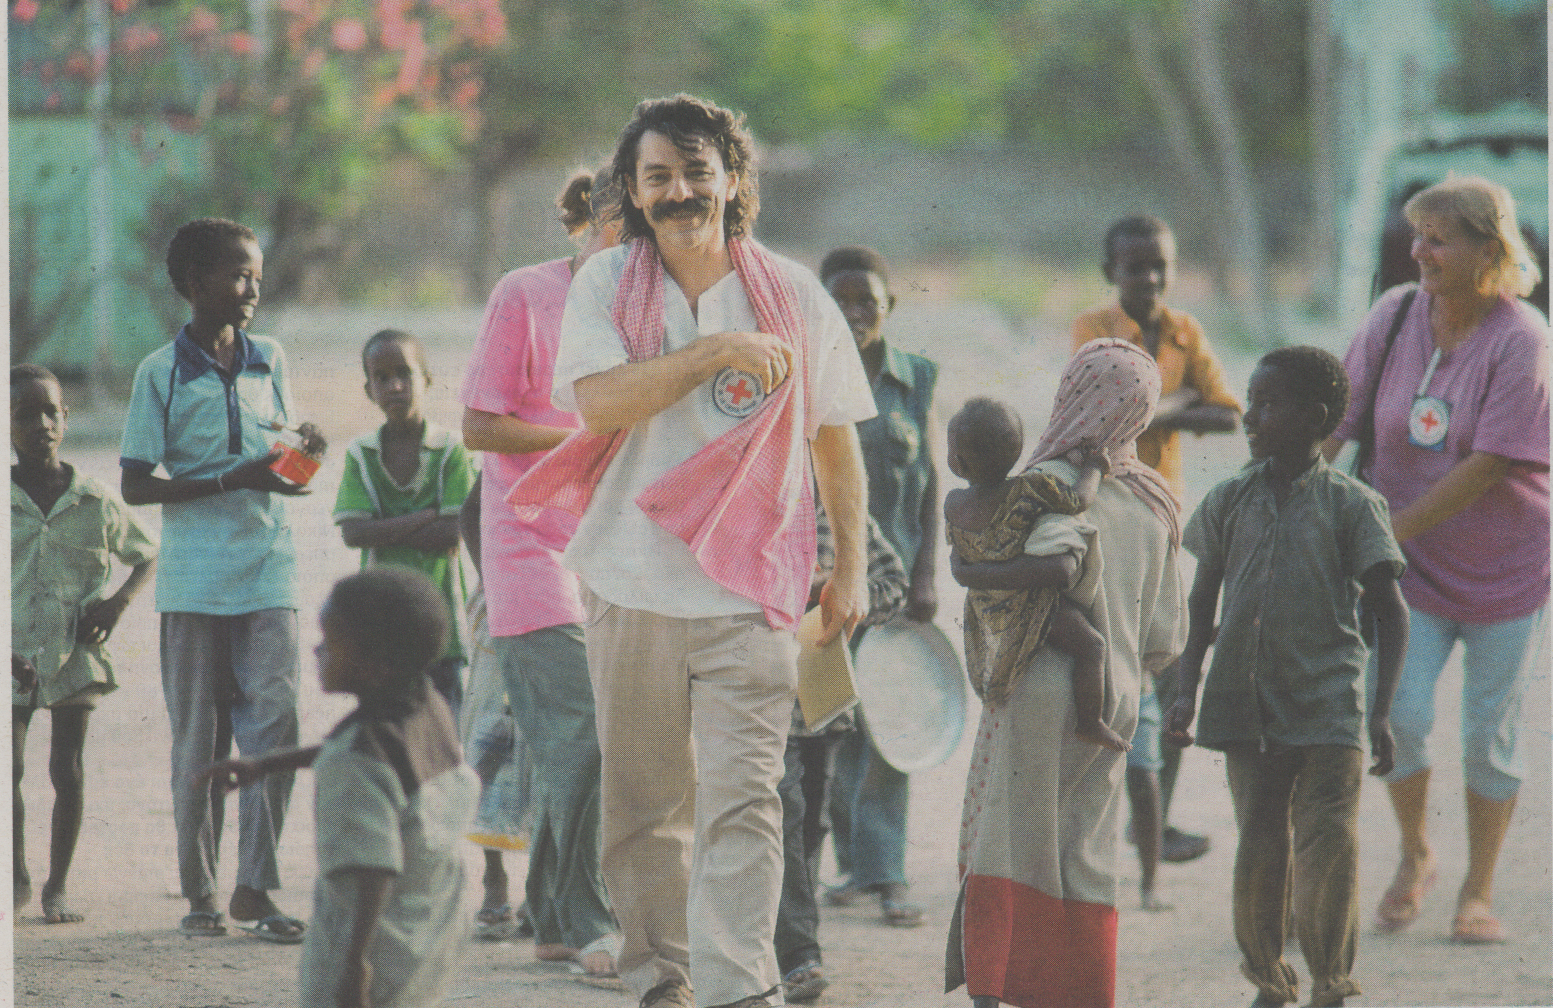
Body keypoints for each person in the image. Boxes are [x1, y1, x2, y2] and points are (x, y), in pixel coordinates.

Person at [508, 94, 874, 1008]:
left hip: (752, 591)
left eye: (696, 171)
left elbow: (835, 437)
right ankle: (661, 979)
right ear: (631, 193)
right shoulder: (605, 286)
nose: (678, 191)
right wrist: (713, 354)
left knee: (748, 801)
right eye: (657, 176)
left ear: (733, 180)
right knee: (644, 810)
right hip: (631, 584)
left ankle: (737, 987)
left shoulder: (790, 292)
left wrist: (853, 569)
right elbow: (597, 404)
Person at [1323, 175, 1549, 945]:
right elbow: (1340, 417)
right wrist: (1298, 498)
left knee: (1489, 734)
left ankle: (1477, 890)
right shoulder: (1391, 316)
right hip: (1406, 574)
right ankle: (1415, 853)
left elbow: (1489, 463)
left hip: (1504, 570)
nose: (1417, 251)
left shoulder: (1523, 340)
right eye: (1415, 235)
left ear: (1488, 249)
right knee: (1396, 715)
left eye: (1437, 238)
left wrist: (1386, 532)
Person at [1166, 346, 1409, 1008]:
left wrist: (1379, 711)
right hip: (1244, 704)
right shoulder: (1227, 500)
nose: (1250, 416)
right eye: (1250, 401)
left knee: (1328, 842)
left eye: (1268, 404)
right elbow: (1200, 605)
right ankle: (1269, 980)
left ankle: (1331, 982)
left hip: (1328, 707)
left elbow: (1390, 611)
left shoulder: (1352, 505)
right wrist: (1186, 688)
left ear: (1316, 419)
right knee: (1259, 842)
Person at [946, 338, 1183, 1008]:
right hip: (1115, 699)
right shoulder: (1155, 500)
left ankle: (993, 990)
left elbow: (1024, 589)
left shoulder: (1038, 488)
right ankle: (1077, 993)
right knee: (1083, 852)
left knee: (1008, 843)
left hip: (1033, 689)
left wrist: (971, 577)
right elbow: (1166, 636)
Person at [121, 217, 325, 942]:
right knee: (199, 743)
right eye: (239, 275)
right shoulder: (160, 372)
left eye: (257, 277)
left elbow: (278, 457)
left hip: (268, 569)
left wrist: (304, 456)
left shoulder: (269, 356)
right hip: (195, 582)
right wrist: (224, 480)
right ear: (195, 283)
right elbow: (137, 487)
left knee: (273, 725)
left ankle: (254, 888)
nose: (252, 289)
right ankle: (201, 894)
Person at [459, 167, 622, 976]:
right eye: (623, 223)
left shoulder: (643, 309)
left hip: (611, 552)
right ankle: (594, 921)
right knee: (585, 735)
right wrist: (574, 444)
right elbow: (479, 427)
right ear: (587, 222)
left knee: (586, 738)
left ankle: (554, 918)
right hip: (529, 551)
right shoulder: (525, 293)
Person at [202, 567, 479, 1008]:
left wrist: (354, 965)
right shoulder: (426, 706)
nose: (317, 650)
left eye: (331, 644)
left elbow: (371, 871)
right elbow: (371, 751)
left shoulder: (356, 759)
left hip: (373, 945)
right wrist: (268, 763)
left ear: (375, 666)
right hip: (426, 929)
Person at [1071, 214, 1239, 870]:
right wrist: (1172, 404)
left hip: (1160, 523)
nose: (1149, 278)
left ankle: (1152, 822)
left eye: (1159, 266)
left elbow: (1227, 411)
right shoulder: (1094, 329)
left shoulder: (1182, 329)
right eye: (1135, 266)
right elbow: (1101, 414)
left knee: (1171, 671)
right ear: (1109, 271)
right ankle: (1094, 821)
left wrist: (1152, 405)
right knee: (1102, 674)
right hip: (1106, 517)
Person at [818, 244, 939, 928]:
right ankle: (851, 869)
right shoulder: (806, 377)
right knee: (829, 726)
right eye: (839, 300)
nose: (855, 312)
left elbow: (927, 490)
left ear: (889, 305)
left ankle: (888, 873)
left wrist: (925, 575)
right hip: (826, 582)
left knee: (891, 726)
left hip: (894, 590)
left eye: (868, 300)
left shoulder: (915, 377)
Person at [12, 364, 157, 924]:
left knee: (67, 768)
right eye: (26, 415)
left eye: (51, 412)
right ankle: (17, 876)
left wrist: (116, 604)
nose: (41, 424)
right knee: (11, 771)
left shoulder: (93, 500)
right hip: (14, 653)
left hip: (76, 651)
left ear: (66, 419)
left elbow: (145, 554)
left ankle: (57, 887)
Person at [776, 505, 907, 1004]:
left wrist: (836, 598)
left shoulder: (838, 512)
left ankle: (790, 938)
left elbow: (891, 583)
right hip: (762, 696)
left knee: (810, 823)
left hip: (822, 694)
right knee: (784, 813)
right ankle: (799, 953)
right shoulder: (744, 502)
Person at [944, 396, 1126, 752]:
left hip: (985, 612)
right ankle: (1090, 723)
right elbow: (1078, 501)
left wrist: (972, 574)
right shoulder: (1029, 489)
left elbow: (957, 561)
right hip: (1031, 605)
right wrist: (1095, 468)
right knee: (1093, 645)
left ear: (959, 462)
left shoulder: (954, 504)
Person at [335, 329, 472, 717]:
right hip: (381, 626)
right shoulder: (362, 454)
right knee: (388, 733)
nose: (395, 386)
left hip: (441, 625)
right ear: (368, 390)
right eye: (382, 378)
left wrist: (389, 528)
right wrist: (425, 516)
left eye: (405, 374)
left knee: (444, 735)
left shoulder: (450, 450)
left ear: (426, 380)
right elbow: (353, 533)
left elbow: (452, 530)